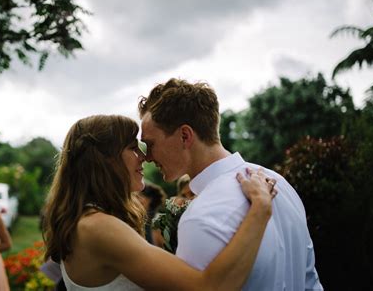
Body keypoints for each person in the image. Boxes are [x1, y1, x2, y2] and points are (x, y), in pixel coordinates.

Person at [42, 114, 277, 290]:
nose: (144, 157)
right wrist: (260, 208)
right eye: (133, 148)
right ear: (106, 160)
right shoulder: (98, 227)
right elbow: (209, 288)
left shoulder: (89, 221)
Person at [138, 78, 324, 290]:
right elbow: (311, 282)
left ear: (184, 135)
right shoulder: (281, 184)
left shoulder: (201, 216)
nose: (147, 157)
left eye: (150, 144)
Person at [137, 182, 166, 246]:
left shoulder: (159, 221)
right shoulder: (133, 218)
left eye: (140, 195)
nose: (137, 199)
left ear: (150, 199)